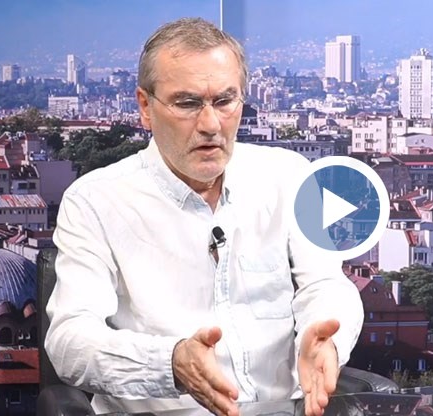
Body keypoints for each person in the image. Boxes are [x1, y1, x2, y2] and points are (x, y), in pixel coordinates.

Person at [45, 17, 364, 416]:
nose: (211, 125)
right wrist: (171, 363)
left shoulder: (291, 176)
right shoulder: (94, 201)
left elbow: (326, 285)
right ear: (145, 106)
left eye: (225, 101)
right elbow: (70, 342)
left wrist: (326, 337)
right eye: (187, 103)